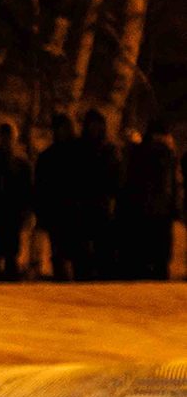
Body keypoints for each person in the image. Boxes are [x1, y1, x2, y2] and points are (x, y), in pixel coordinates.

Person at [115, 118, 180, 280]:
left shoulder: (141, 153)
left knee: (147, 254)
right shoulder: (167, 155)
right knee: (158, 254)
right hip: (155, 211)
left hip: (144, 210)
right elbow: (173, 185)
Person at [34, 114, 85, 280]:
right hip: (57, 214)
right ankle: (62, 284)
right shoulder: (48, 157)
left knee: (78, 254)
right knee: (59, 254)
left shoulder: (81, 153)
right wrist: (42, 215)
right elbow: (41, 188)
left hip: (78, 213)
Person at [75, 110, 123, 279]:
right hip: (83, 206)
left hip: (103, 205)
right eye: (92, 123)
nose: (95, 127)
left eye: (99, 123)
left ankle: (104, 277)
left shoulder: (110, 149)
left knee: (104, 248)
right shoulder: (79, 148)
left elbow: (117, 177)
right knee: (83, 249)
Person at [0, 121, 32, 281]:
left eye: (9, 136)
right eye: (3, 136)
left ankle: (12, 280)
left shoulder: (22, 163)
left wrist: (27, 212)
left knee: (13, 252)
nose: (6, 140)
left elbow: (28, 190)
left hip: (14, 215)